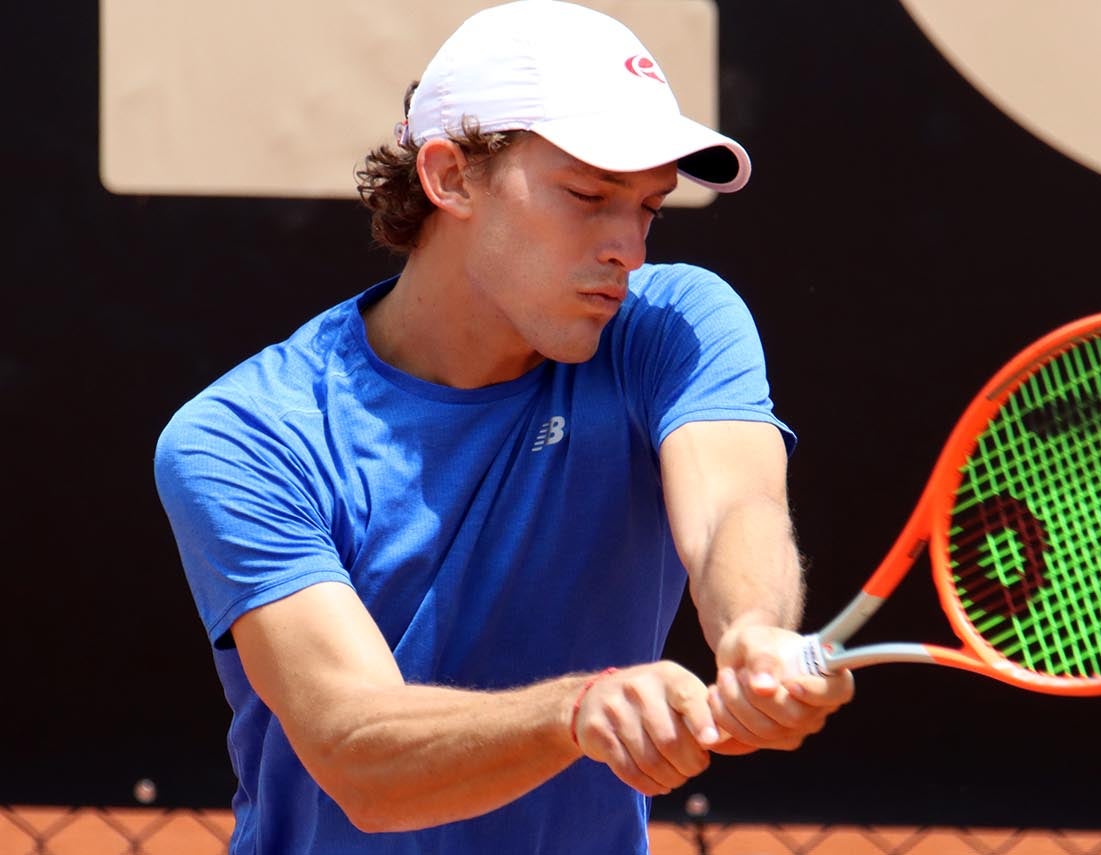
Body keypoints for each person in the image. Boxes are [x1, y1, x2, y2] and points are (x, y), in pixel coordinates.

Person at [152, 1, 853, 853]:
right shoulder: (244, 435)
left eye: (649, 207)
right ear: (450, 177)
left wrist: (751, 630)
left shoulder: (674, 326)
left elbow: (734, 509)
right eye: (587, 195)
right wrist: (576, 711)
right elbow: (360, 752)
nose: (628, 248)